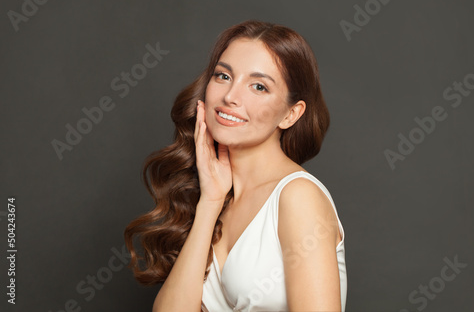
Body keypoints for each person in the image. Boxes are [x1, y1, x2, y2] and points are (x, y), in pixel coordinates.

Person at [124, 20, 347, 312]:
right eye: (223, 76)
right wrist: (211, 201)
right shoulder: (217, 195)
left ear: (291, 114)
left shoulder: (297, 197)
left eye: (258, 86)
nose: (230, 97)